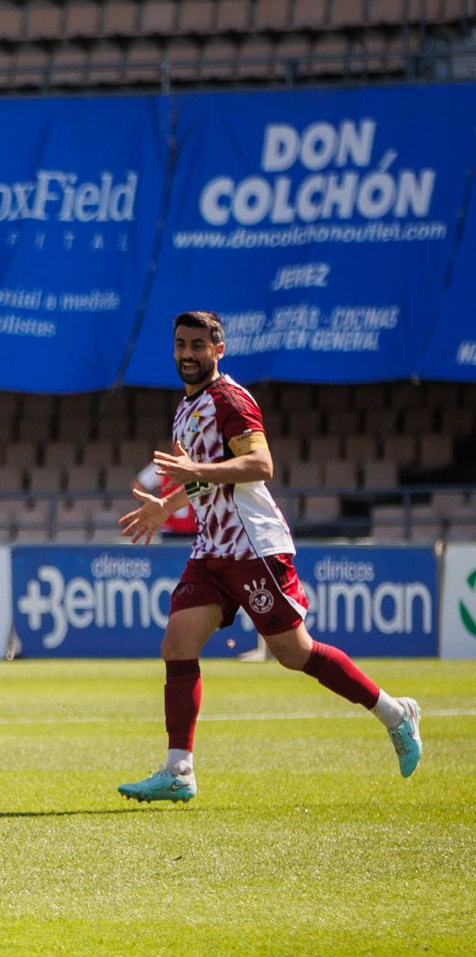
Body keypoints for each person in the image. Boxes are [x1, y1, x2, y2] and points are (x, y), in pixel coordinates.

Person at [116, 310, 423, 801]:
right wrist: (168, 505)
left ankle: (394, 712)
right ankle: (179, 771)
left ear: (219, 349)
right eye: (181, 345)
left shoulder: (230, 400)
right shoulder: (186, 407)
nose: (188, 354)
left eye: (198, 345)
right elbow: (205, 476)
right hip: (212, 547)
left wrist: (195, 470)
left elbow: (260, 464)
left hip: (252, 546)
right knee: (177, 644)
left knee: (294, 653)